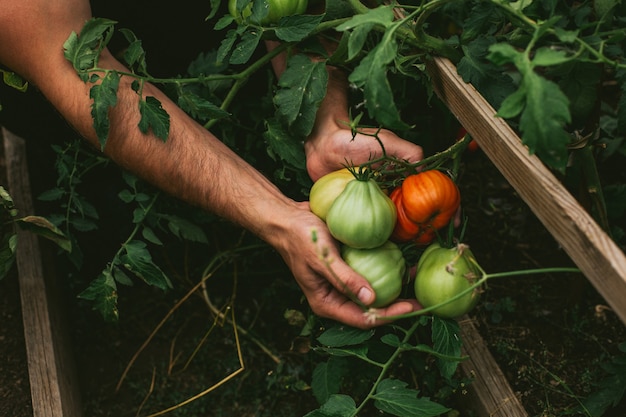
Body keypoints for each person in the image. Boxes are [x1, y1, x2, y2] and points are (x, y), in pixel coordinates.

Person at [0, 0, 423, 329]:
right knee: (109, 223)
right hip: (57, 81)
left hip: (210, 38)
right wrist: (278, 217)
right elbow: (81, 73)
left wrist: (323, 119)